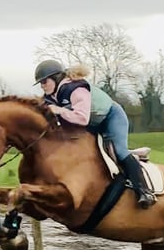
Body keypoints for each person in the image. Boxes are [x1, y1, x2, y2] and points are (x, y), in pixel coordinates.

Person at [33, 59, 156, 208]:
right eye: (40, 83)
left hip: (111, 117)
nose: (42, 86)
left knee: (119, 151)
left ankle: (144, 191)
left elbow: (82, 118)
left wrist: (59, 110)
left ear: (56, 78)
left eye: (44, 81)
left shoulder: (75, 88)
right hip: (92, 124)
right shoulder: (50, 97)